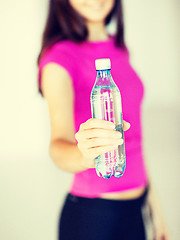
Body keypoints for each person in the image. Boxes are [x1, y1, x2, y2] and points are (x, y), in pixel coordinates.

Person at [37, 0, 169, 239]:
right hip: (93, 218)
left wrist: (155, 210)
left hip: (136, 210)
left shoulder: (119, 49)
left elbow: (135, 139)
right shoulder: (59, 59)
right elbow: (57, 146)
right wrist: (86, 155)